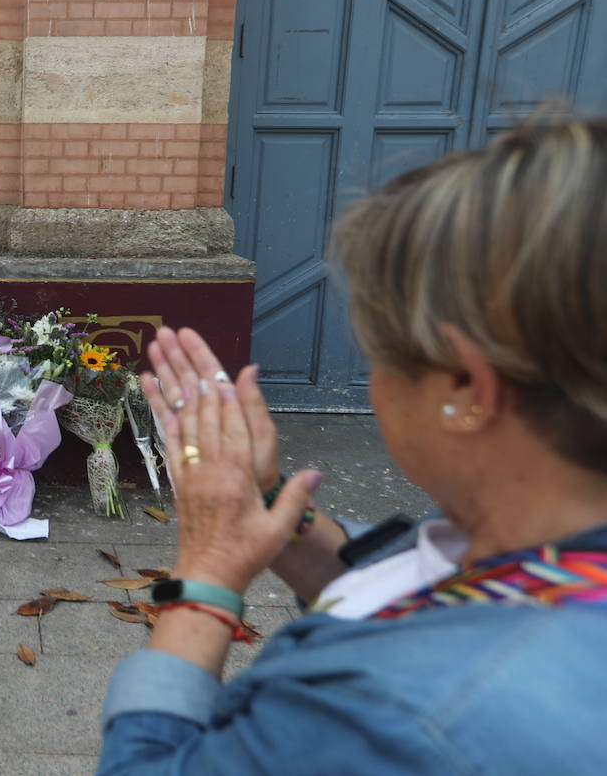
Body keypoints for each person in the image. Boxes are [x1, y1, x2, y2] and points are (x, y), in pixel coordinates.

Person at [99, 117, 607, 773]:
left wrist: (208, 573)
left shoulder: (398, 712)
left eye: (381, 357)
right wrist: (273, 507)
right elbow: (427, 586)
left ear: (465, 386)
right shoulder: (544, 552)